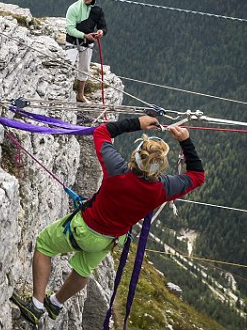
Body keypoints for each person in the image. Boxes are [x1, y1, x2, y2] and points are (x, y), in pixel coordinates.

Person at [11, 115, 205, 326]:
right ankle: (56, 302)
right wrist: (185, 141)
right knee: (83, 269)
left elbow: (101, 132)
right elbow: (197, 175)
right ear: (160, 167)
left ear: (136, 157)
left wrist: (137, 123)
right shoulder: (163, 189)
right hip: (108, 240)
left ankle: (37, 305)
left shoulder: (117, 171)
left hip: (84, 228)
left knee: (44, 245)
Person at [65, 0, 107, 102]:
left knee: (84, 69)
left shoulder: (97, 11)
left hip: (87, 43)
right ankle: (65, 91)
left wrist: (100, 32)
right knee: (68, 65)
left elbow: (103, 27)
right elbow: (70, 29)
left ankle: (80, 94)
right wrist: (84, 35)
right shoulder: (74, 8)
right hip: (72, 42)